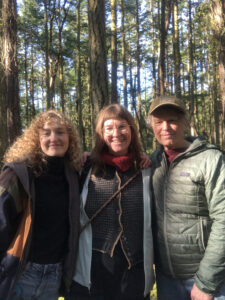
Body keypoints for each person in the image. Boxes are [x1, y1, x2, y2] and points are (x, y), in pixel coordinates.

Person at [67, 104, 154, 300]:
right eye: (109, 128)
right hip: (92, 272)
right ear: (100, 133)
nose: (117, 133)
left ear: (131, 130)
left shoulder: (146, 170)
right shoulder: (85, 168)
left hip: (135, 273)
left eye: (122, 126)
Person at [147, 95, 225, 300]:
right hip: (167, 279)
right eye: (158, 122)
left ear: (185, 122)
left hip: (208, 281)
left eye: (172, 120)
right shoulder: (152, 162)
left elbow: (223, 219)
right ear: (152, 126)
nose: (165, 127)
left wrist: (206, 283)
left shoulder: (210, 159)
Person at [0, 110, 82, 300]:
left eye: (60, 132)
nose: (54, 138)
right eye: (47, 133)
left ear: (70, 138)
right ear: (37, 138)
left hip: (54, 275)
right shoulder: (18, 175)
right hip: (20, 272)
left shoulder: (73, 176)